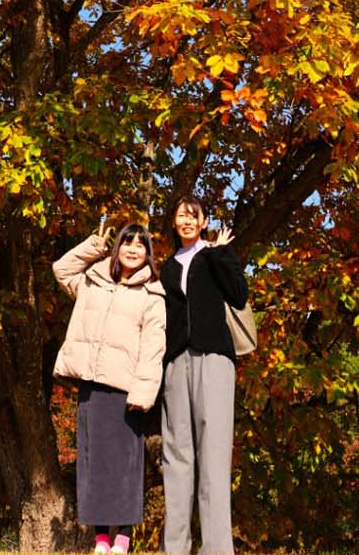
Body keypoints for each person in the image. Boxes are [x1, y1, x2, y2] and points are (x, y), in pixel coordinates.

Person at [53, 215, 168, 555]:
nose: (133, 249)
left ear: (148, 254)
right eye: (127, 242)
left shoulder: (152, 294)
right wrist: (93, 247)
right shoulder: (93, 281)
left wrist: (143, 393)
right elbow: (61, 269)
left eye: (140, 245)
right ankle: (101, 539)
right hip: (92, 384)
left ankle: (124, 537)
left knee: (126, 465)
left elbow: (154, 347)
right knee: (94, 463)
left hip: (126, 390)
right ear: (117, 248)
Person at [157, 195, 248, 555]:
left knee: (213, 458)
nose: (187, 220)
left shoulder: (214, 256)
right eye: (181, 215)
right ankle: (174, 549)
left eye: (193, 215)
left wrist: (222, 254)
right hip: (176, 362)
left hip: (214, 359)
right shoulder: (166, 267)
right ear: (174, 222)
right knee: (176, 458)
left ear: (204, 221)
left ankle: (217, 549)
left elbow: (239, 296)